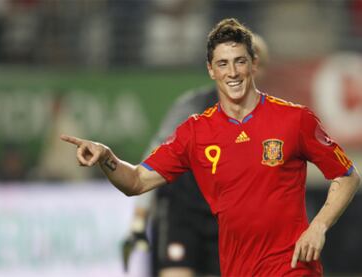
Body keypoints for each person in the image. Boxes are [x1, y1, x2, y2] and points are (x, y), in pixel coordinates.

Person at [61, 18, 360, 276]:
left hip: (292, 267)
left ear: (253, 64)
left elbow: (347, 175)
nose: (232, 72)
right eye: (223, 64)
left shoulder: (295, 120)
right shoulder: (195, 132)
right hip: (236, 267)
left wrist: (319, 226)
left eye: (239, 61)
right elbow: (137, 182)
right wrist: (107, 157)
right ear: (211, 70)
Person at [123, 34, 269, 277]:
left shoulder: (271, 119)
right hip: (182, 214)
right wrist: (139, 220)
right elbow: (155, 158)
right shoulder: (191, 108)